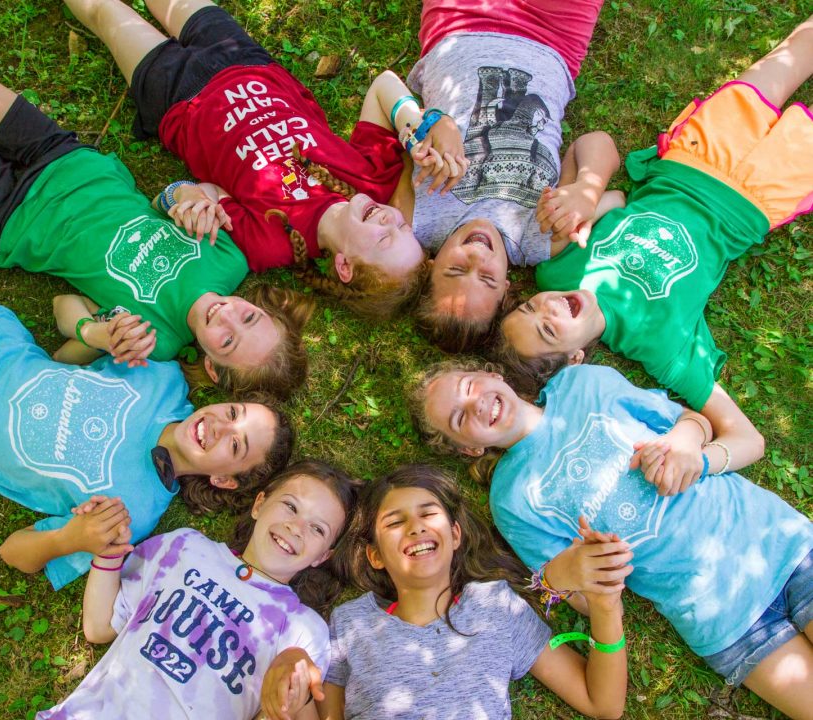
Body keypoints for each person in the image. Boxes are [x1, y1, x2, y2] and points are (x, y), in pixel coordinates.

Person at [0, 38, 313, 399]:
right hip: (65, 158)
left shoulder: (155, 342)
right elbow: (163, 201)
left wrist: (98, 336)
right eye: (248, 317)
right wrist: (188, 194)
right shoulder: (229, 257)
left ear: (211, 363)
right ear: (259, 307)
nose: (226, 316)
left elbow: (64, 319)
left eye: (227, 341)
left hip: (10, 216)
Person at [411, 362, 813, 719]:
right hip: (721, 619)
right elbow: (577, 599)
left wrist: (686, 442)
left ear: (492, 374)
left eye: (468, 387)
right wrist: (571, 572)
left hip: (780, 545)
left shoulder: (582, 383)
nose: (476, 405)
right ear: (470, 447)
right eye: (460, 418)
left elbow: (693, 422)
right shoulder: (510, 499)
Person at [498, 16, 813, 408]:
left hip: (693, 158)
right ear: (574, 358)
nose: (546, 307)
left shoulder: (556, 270)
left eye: (529, 306)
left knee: (792, 55)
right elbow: (731, 421)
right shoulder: (660, 350)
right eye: (547, 330)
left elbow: (616, 201)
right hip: (755, 200)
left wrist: (586, 199)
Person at [62, 0, 438, 319]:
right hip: (244, 59)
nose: (391, 219)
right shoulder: (373, 180)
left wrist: (188, 199)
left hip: (177, 97)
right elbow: (384, 85)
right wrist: (416, 127)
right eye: (403, 228)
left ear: (344, 266)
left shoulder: (270, 243)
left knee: (103, 12)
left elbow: (203, 191)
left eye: (385, 240)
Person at [0, 273, 293, 589]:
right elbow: (65, 310)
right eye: (232, 412)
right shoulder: (163, 377)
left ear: (224, 480)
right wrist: (101, 333)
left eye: (235, 443)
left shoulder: (131, 514)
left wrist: (71, 538)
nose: (219, 426)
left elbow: (14, 553)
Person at [262, 465, 626, 720]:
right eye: (395, 522)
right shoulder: (350, 623)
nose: (416, 528)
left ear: (454, 535)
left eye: (428, 514)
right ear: (374, 555)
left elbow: (602, 703)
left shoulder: (497, 605)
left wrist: (606, 606)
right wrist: (292, 702)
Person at [36, 460, 362, 720]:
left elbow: (280, 711)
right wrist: (108, 552)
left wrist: (289, 697)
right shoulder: (185, 546)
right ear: (259, 504)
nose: (296, 527)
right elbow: (99, 627)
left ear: (322, 556)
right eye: (290, 506)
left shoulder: (302, 631)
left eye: (317, 528)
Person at [404, 0, 622, 352]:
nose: (476, 259)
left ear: (428, 267)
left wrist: (429, 124)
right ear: (506, 287)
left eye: (456, 271)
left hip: (458, 23)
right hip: (553, 36)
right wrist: (587, 191)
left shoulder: (416, 218)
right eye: (488, 278)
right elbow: (599, 147)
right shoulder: (541, 238)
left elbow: (398, 117)